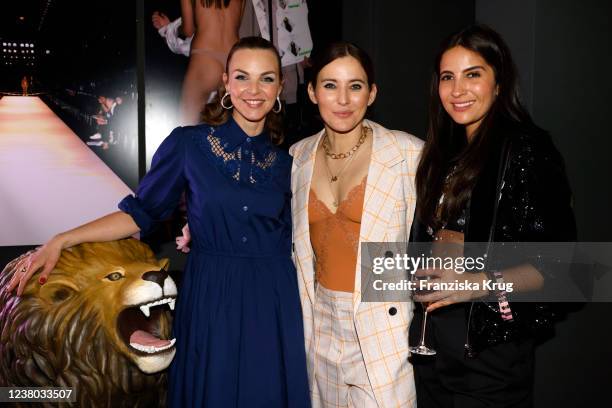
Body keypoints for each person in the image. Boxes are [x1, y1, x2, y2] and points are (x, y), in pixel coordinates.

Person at [8, 36, 310, 408]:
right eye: (242, 77)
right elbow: (139, 213)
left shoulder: (291, 163)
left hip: (274, 300)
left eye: (266, 79)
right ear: (225, 83)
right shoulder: (188, 145)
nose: (254, 90)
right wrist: (63, 239)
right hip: (212, 295)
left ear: (281, 87)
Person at [409, 24, 576, 407]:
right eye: (448, 77)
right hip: (432, 348)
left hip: (487, 354)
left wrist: (475, 282)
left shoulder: (526, 149)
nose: (457, 90)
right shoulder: (443, 153)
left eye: (473, 74)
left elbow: (563, 267)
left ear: (498, 82)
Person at [289, 41, 422, 407]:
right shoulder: (297, 156)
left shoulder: (408, 153)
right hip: (320, 326)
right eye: (330, 85)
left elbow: (441, 233)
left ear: (372, 92)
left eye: (356, 85)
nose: (343, 98)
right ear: (313, 92)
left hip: (382, 325)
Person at [179, 0, 245, 125]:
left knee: (186, 128)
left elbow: (188, 30)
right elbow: (237, 24)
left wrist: (173, 28)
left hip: (204, 57)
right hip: (232, 58)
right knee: (232, 130)